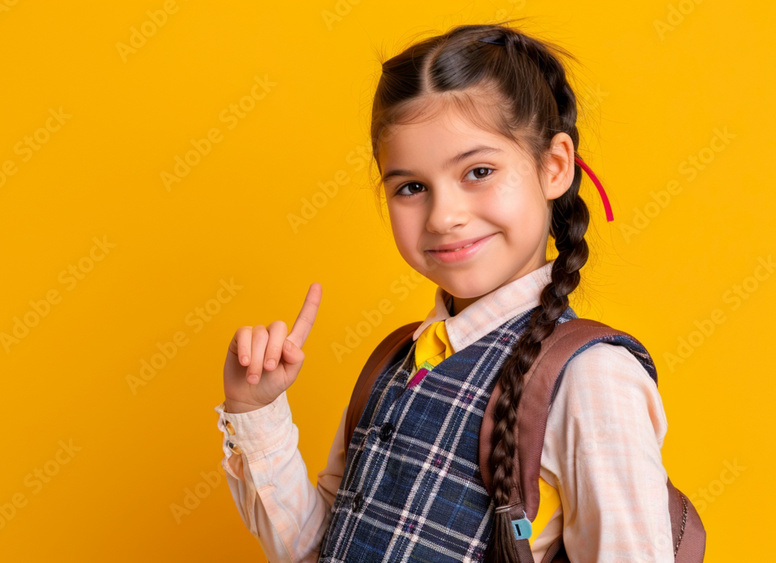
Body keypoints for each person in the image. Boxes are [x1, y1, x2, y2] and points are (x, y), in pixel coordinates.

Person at [214, 22, 673, 562]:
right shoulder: (396, 360)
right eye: (411, 187)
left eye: (478, 171)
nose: (443, 216)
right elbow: (324, 549)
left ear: (554, 167)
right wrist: (256, 409)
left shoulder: (592, 377)